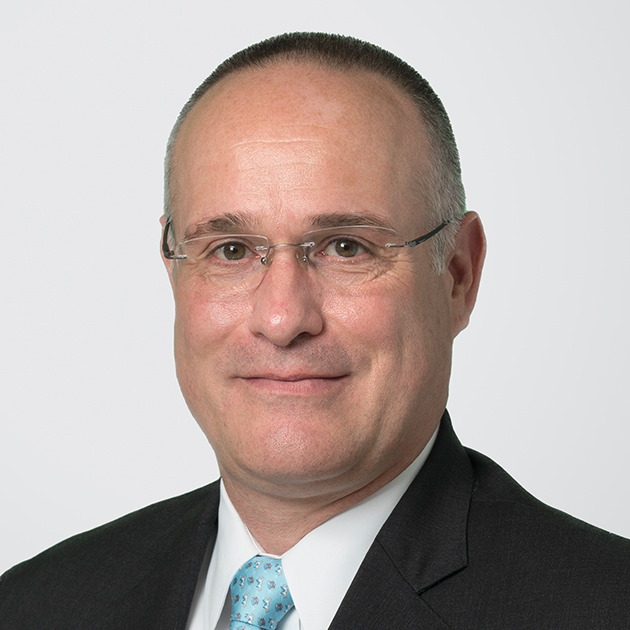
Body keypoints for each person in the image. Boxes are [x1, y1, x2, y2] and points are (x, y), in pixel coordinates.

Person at [1, 32, 629, 630]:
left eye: (346, 247)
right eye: (230, 250)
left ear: (458, 275)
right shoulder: (36, 605)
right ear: (174, 271)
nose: (281, 320)